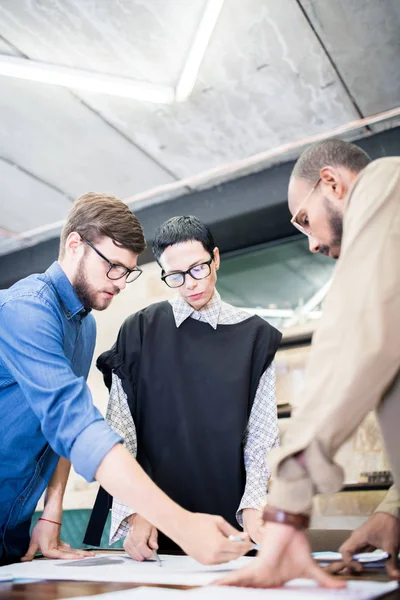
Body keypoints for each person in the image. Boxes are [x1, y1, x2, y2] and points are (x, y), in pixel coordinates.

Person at [0, 193, 252, 566]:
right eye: (113, 266)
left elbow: (62, 430)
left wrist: (52, 514)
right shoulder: (26, 309)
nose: (120, 283)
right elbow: (78, 427)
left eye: (128, 271)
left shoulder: (83, 326)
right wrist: (181, 525)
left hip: (13, 525)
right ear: (75, 245)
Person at [216, 140, 400, 588]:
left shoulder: (386, 180)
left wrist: (288, 501)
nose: (313, 242)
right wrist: (393, 511)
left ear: (332, 183)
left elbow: (359, 334)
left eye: (305, 221)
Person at [85, 215, 282, 561]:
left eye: (197, 269)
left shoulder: (256, 338)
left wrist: (254, 506)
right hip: (155, 527)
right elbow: (120, 433)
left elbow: (261, 439)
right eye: (174, 276)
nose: (189, 284)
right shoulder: (139, 331)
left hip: (230, 526)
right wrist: (136, 511)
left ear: (215, 258)